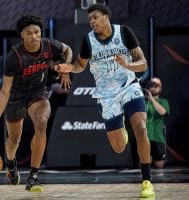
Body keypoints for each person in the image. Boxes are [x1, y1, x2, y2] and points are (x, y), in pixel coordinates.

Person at [56, 4, 155, 198]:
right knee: (118, 148)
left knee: (141, 128)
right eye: (90, 18)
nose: (91, 21)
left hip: (129, 86)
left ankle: (146, 181)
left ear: (106, 17)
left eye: (95, 17)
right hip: (106, 95)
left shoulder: (124, 32)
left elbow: (143, 62)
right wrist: (69, 68)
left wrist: (128, 64)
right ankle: (122, 132)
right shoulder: (88, 41)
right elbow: (80, 65)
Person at [0, 14, 72, 192]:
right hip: (16, 97)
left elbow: (67, 49)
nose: (34, 36)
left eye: (37, 32)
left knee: (41, 122)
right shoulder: (14, 56)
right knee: (14, 140)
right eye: (29, 33)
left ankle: (33, 176)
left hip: (38, 94)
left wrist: (66, 69)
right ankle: (10, 162)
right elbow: (4, 92)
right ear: (22, 35)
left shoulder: (48, 45)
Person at [144, 77, 170, 169]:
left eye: (156, 85)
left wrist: (151, 99)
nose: (153, 88)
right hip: (144, 137)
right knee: (143, 164)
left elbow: (162, 112)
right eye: (151, 85)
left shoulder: (163, 101)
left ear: (160, 88)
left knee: (159, 165)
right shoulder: (143, 101)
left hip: (157, 137)